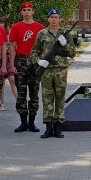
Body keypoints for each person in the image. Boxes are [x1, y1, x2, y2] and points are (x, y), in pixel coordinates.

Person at [32, 9, 75, 139]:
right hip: (47, 71)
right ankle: (48, 127)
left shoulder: (65, 34)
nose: (54, 20)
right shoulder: (42, 34)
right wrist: (38, 61)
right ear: (48, 19)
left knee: (60, 98)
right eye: (52, 17)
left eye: (56, 17)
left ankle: (58, 127)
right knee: (47, 98)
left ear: (60, 19)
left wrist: (65, 44)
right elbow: (34, 52)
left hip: (61, 70)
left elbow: (72, 53)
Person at [9, 2, 44, 133]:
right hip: (21, 61)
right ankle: (23, 122)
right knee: (21, 93)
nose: (27, 12)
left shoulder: (40, 27)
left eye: (29, 10)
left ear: (33, 12)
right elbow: (12, 46)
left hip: (35, 62)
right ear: (21, 12)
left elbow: (43, 47)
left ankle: (32, 123)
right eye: (24, 10)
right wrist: (12, 64)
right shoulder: (16, 27)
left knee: (34, 93)